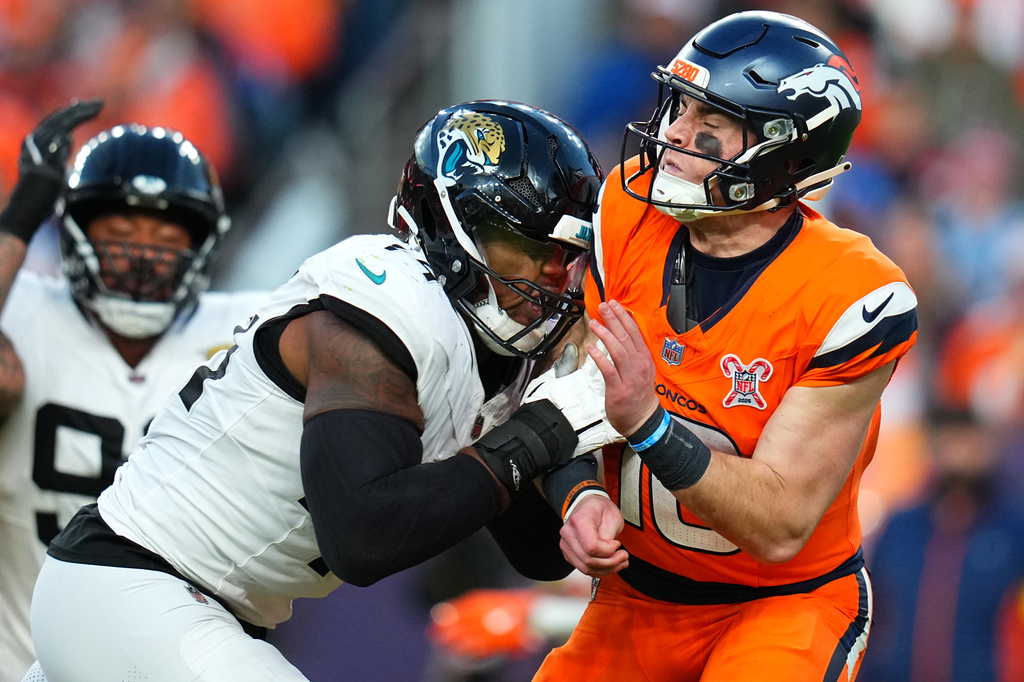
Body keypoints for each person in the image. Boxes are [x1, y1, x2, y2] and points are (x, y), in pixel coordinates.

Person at [23, 100, 614, 682]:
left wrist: (573, 476)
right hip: (131, 583)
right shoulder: (381, 305)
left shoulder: (496, 349)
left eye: (567, 257)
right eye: (533, 249)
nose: (554, 278)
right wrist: (543, 431)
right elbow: (365, 536)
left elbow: (535, 550)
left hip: (184, 608)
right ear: (451, 224)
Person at [532, 10, 920, 681]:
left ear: (778, 156)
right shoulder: (627, 218)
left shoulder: (849, 292)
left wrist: (649, 427)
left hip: (780, 605)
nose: (672, 135)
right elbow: (558, 395)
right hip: (639, 595)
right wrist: (577, 497)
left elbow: (779, 522)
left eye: (706, 128)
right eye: (678, 109)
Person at [0, 101, 269, 682]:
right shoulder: (25, 314)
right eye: (120, 233)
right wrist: (21, 215)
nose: (143, 258)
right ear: (74, 234)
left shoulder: (249, 329)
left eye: (164, 237)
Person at [859, 405, 1024, 682]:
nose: (959, 456)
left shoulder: (1012, 530)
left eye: (969, 443)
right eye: (951, 442)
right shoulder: (901, 526)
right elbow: (873, 609)